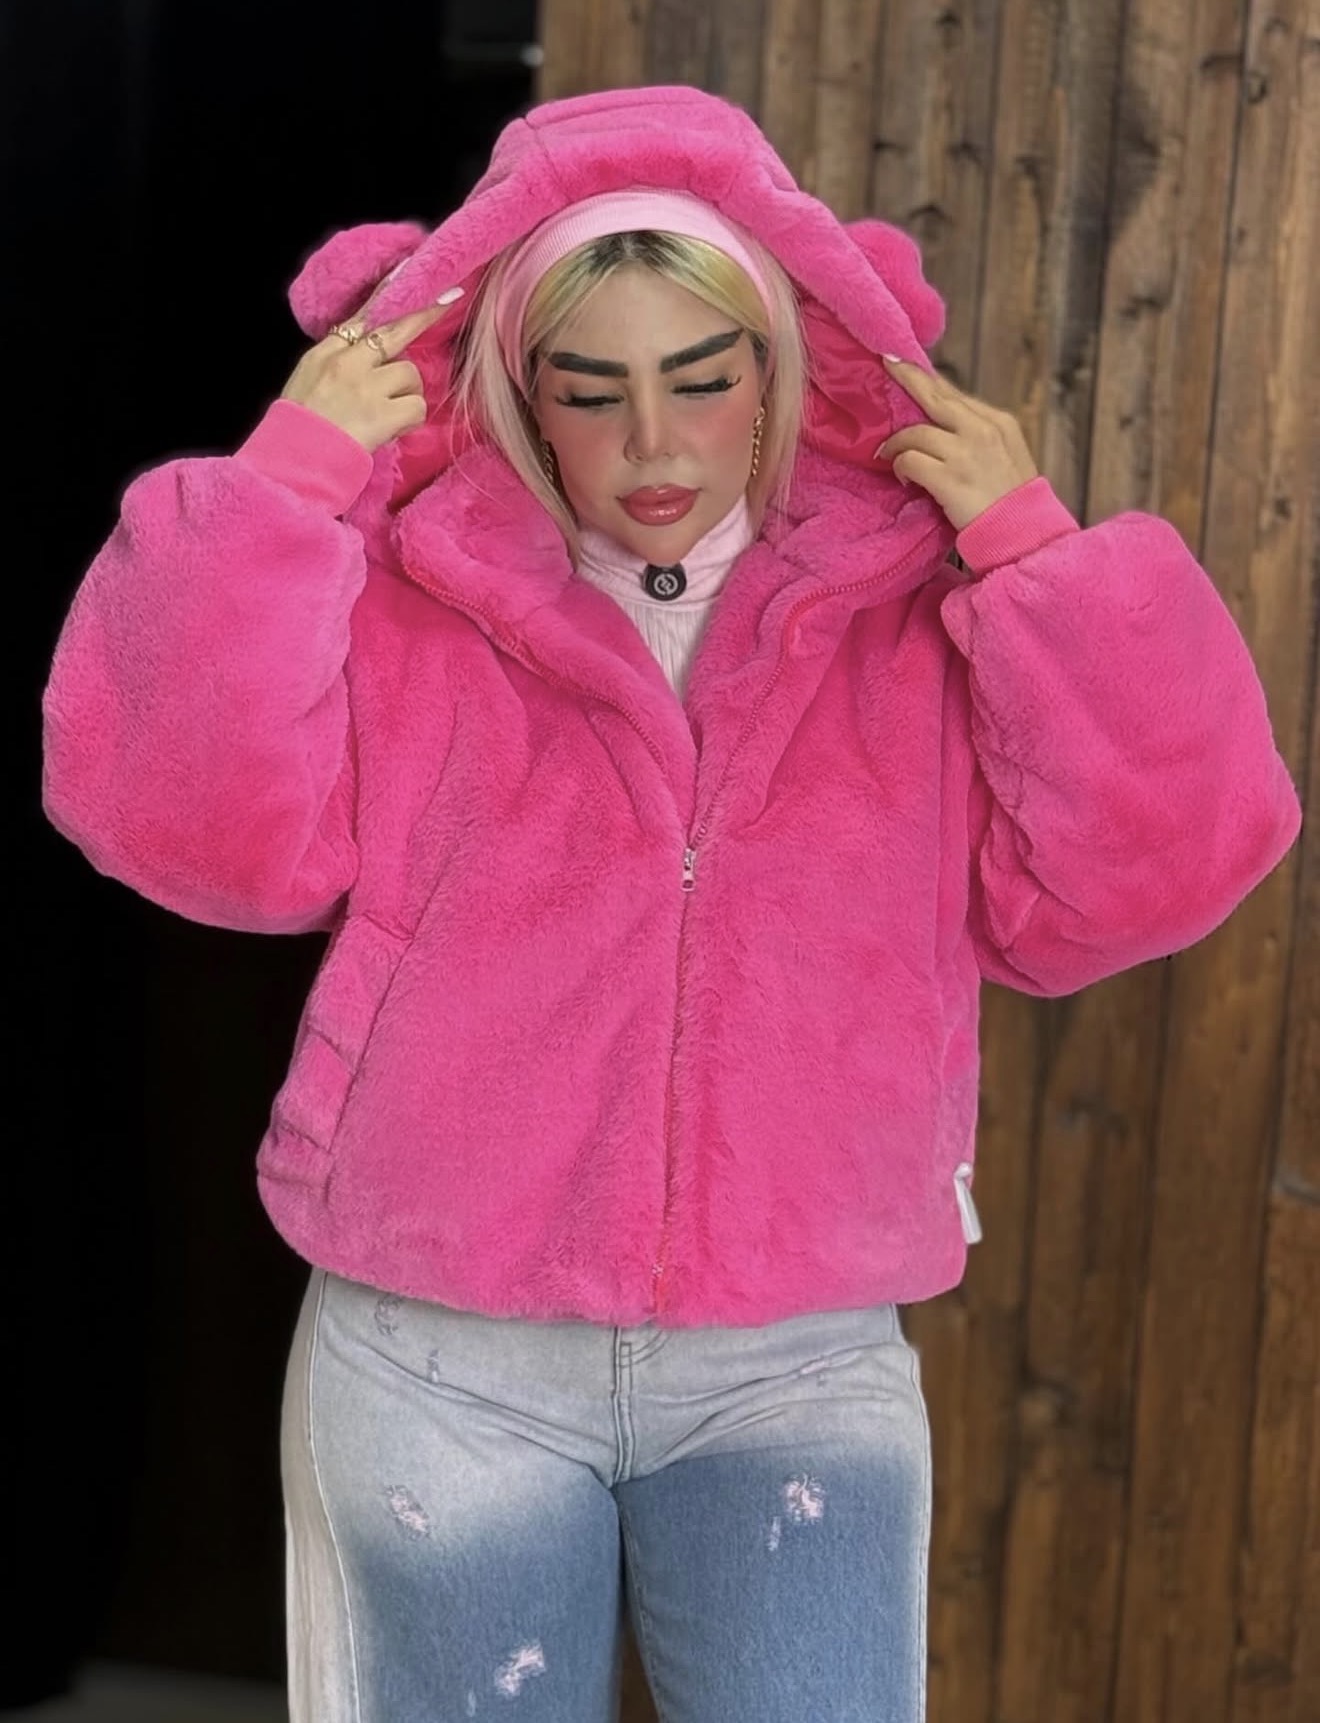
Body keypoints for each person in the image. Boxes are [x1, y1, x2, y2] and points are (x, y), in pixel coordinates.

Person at [42, 83, 1301, 1723]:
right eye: (594, 389)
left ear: (777, 369)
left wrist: (1032, 555)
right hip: (440, 1353)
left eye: (703, 379)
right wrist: (281, 491)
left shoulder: (912, 611)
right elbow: (183, 830)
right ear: (526, 393)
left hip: (795, 1363)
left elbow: (1148, 875)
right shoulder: (412, 593)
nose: (653, 440)